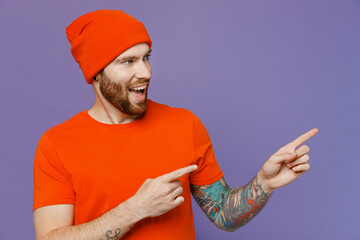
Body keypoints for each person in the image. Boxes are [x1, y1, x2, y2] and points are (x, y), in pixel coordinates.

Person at [32, 9, 319, 240]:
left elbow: (224, 215)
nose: (144, 72)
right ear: (96, 74)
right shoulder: (57, 144)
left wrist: (264, 184)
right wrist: (135, 209)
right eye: (128, 61)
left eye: (146, 58)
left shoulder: (185, 124)